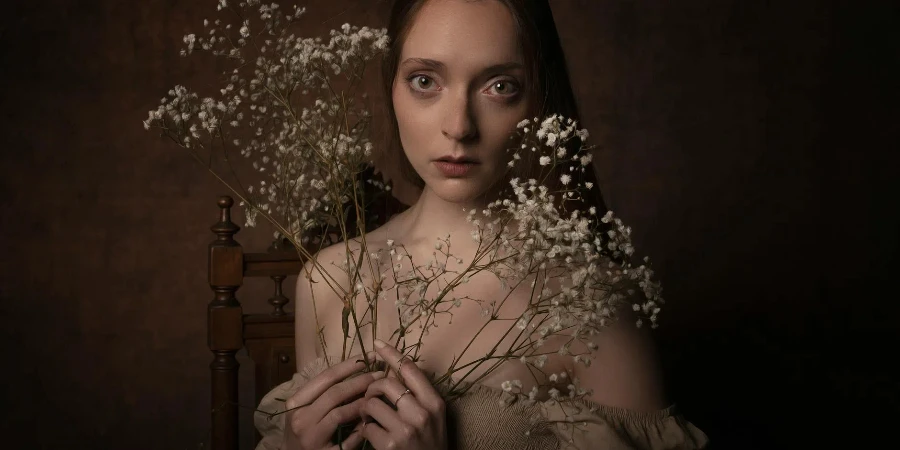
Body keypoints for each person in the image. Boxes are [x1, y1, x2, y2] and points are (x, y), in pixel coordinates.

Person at [255, 0, 710, 448]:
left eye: (500, 86)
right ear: (391, 85)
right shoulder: (329, 279)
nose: (458, 126)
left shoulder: (589, 303)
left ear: (539, 101)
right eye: (424, 81)